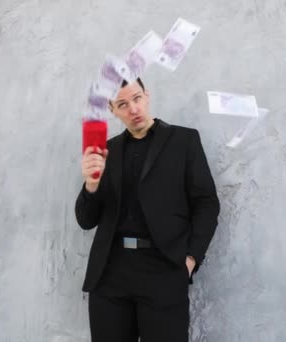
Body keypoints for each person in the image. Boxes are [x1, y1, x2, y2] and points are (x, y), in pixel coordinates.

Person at [74, 77, 220, 342]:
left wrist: (190, 260)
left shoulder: (184, 140)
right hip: (110, 274)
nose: (133, 108)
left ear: (147, 95)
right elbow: (86, 220)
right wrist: (91, 185)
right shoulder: (107, 151)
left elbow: (207, 203)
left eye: (137, 98)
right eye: (123, 104)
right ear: (112, 110)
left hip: (164, 270)